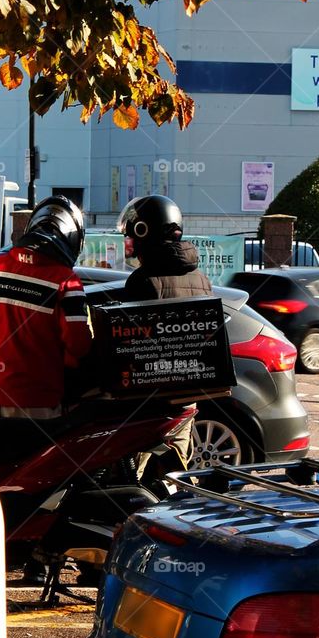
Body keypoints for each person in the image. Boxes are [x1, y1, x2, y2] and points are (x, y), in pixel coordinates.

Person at [0, 195, 92, 431]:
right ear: (73, 238)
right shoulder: (67, 282)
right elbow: (79, 344)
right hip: (38, 400)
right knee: (39, 467)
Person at [117, 195, 212, 468]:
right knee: (176, 472)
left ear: (143, 231)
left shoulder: (142, 281)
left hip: (152, 402)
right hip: (187, 397)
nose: (130, 241)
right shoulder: (201, 279)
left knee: (139, 471)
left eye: (132, 234)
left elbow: (129, 343)